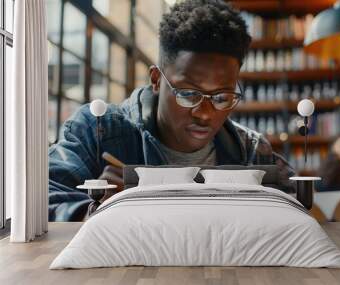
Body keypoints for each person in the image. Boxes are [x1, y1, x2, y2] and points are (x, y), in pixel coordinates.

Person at [48, 0, 296, 222]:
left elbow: (300, 209)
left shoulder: (252, 151)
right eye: (188, 94)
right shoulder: (98, 131)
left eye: (222, 97)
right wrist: (99, 212)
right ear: (156, 80)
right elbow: (42, 202)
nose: (205, 114)